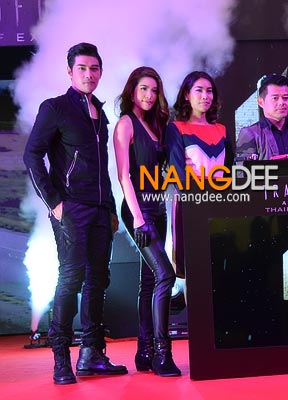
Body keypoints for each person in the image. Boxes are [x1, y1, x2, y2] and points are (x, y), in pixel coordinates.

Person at [22, 42, 127, 384]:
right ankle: (61, 358)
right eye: (82, 68)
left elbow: (102, 167)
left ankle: (92, 354)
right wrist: (54, 202)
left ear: (101, 72)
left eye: (94, 68)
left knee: (99, 279)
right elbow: (32, 155)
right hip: (71, 208)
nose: (88, 74)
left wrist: (110, 208)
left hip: (100, 210)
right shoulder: (55, 108)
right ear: (70, 72)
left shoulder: (100, 112)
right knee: (70, 278)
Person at [113, 66, 181, 377]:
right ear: (132, 91)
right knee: (165, 274)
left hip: (158, 208)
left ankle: (144, 352)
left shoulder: (158, 125)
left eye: (154, 90)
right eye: (143, 89)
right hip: (137, 210)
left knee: (150, 281)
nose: (149, 95)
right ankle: (162, 354)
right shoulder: (125, 124)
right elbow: (123, 176)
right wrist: (139, 220)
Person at [165, 71, 228, 278]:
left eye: (209, 91)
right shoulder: (176, 128)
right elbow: (177, 174)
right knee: (194, 271)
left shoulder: (221, 130)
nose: (205, 96)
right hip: (190, 205)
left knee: (221, 268)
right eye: (199, 90)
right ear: (186, 95)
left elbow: (228, 172)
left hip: (220, 205)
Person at [236, 73, 288, 160]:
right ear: (261, 102)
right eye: (275, 98)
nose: (281, 103)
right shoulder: (250, 133)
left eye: (285, 97)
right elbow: (242, 168)